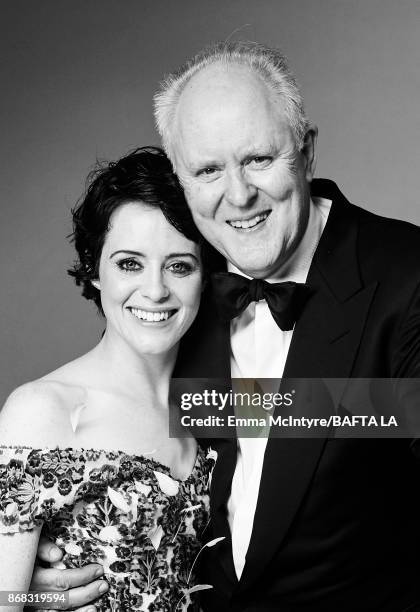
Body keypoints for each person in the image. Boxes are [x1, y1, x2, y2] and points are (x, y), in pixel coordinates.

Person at [33, 42, 420, 611]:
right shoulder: (178, 291)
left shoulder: (407, 275)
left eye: (259, 159)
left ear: (306, 151)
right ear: (183, 182)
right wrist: (34, 582)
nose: (238, 196)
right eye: (209, 170)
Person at [0, 147, 219, 611]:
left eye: (180, 265)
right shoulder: (44, 408)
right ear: (94, 268)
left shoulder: (215, 402)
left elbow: (383, 409)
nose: (156, 290)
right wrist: (27, 595)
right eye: (129, 264)